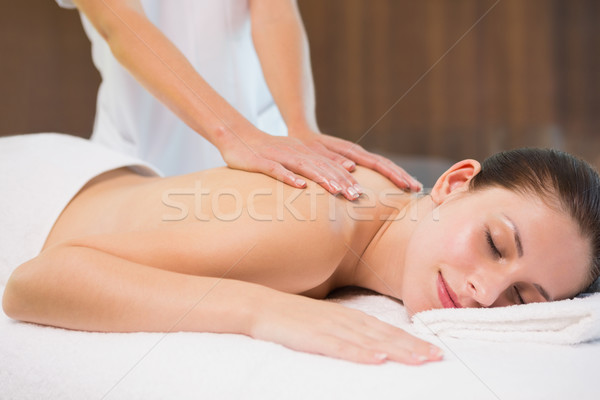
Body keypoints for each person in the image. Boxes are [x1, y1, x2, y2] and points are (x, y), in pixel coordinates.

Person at [2, 133, 599, 366]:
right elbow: (34, 282)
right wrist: (265, 311)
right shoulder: (315, 229)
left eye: (521, 298)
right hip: (28, 199)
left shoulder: (390, 207)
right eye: (496, 244)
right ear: (450, 183)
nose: (484, 292)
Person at [55, 0, 422, 199]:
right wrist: (234, 136)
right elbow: (121, 23)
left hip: (267, 144)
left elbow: (273, 11)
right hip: (137, 158)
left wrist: (300, 126)